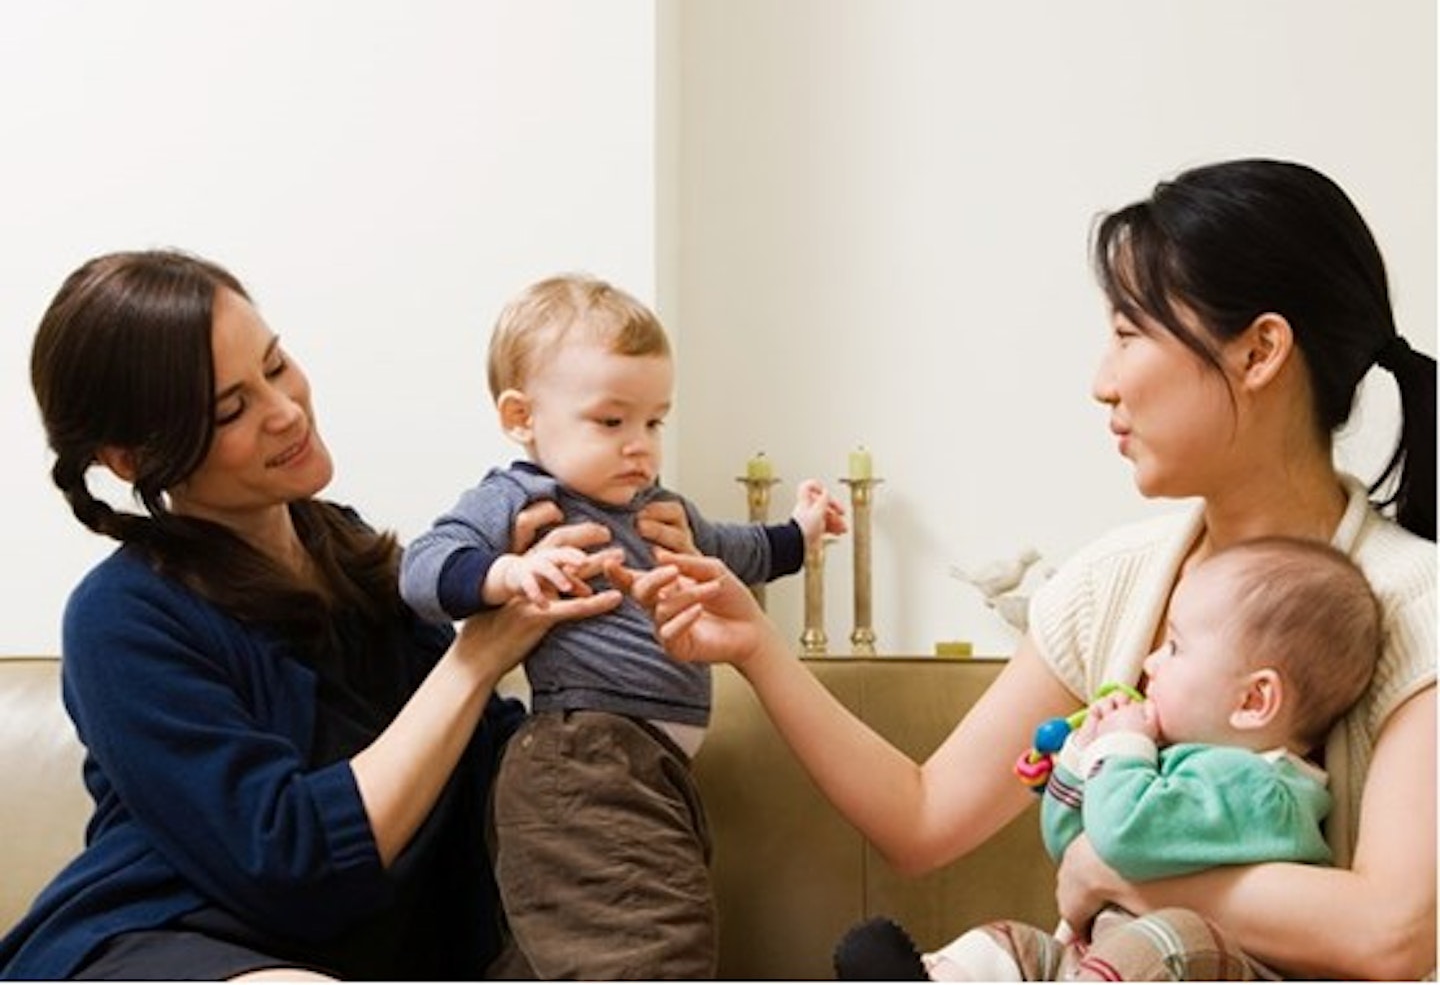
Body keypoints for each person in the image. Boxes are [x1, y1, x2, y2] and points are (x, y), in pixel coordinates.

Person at [617, 158, 1436, 980]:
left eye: (1127, 334)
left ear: (1259, 351)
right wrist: (759, 648)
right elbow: (923, 815)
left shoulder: (1419, 605)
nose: (1101, 384)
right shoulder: (1112, 583)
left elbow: (1396, 936)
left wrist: (1114, 872)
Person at [0, 250, 625, 981]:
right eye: (232, 407)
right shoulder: (120, 616)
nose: (286, 410)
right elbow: (295, 865)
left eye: (275, 364)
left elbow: (484, 762)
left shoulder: (357, 557)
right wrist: (478, 653)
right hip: (162, 942)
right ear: (134, 458)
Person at [397, 273, 846, 979]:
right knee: (652, 949)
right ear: (522, 417)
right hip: (585, 755)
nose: (640, 445)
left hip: (648, 765)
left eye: (654, 421)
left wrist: (803, 530)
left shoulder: (659, 507)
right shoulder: (524, 496)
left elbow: (740, 550)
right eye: (611, 422)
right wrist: (504, 574)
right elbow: (422, 568)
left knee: (584, 948)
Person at [833, 536, 1382, 980]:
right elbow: (1075, 842)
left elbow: (1122, 835)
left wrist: (1123, 748)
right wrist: (1081, 758)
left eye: (1176, 648)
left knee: (1170, 940)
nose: (1150, 660)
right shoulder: (1172, 762)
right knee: (1010, 947)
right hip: (1101, 960)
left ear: (1252, 700)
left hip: (1210, 967)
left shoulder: (1265, 790)